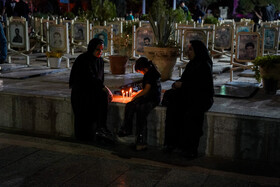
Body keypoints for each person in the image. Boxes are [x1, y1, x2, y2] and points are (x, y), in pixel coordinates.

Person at [163, 40, 214, 159]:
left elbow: (201, 86)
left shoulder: (204, 64)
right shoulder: (192, 64)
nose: (188, 52)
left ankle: (191, 149)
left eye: (191, 49)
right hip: (189, 94)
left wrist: (183, 85)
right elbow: (186, 79)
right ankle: (172, 144)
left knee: (192, 115)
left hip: (201, 97)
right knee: (173, 108)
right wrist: (178, 84)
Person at [69, 38, 114, 143]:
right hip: (81, 93)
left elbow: (99, 80)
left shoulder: (100, 61)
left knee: (102, 97)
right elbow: (89, 78)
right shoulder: (83, 59)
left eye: (102, 50)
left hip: (93, 91)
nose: (100, 52)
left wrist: (103, 88)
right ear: (92, 48)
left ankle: (101, 128)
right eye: (98, 49)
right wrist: (105, 89)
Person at [118, 57, 161, 151]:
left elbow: (146, 89)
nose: (141, 73)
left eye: (140, 71)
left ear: (143, 69)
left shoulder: (150, 74)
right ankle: (130, 132)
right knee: (132, 106)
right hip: (151, 97)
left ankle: (133, 135)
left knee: (139, 111)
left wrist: (136, 96)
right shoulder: (152, 71)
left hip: (151, 99)